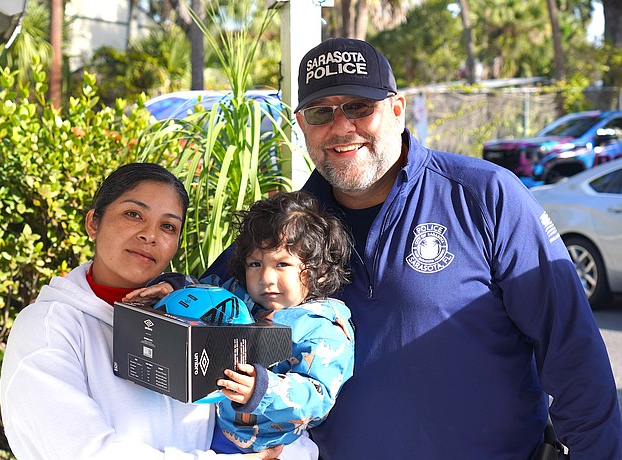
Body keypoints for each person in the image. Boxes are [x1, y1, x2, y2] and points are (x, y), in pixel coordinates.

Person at [204, 38, 622, 458]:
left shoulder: (486, 196)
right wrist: (168, 287)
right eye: (321, 112)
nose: (341, 126)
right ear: (302, 125)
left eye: (358, 107)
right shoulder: (284, 229)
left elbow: (573, 354)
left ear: (397, 110)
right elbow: (203, 303)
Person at [0, 163, 282, 459]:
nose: (150, 235)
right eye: (133, 214)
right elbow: (86, 452)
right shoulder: (46, 328)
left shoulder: (202, 319)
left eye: (168, 226)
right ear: (93, 223)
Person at [128, 191, 355, 460]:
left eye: (282, 264)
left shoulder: (322, 331)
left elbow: (318, 397)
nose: (266, 278)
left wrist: (262, 388)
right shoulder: (238, 296)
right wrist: (173, 289)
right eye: (255, 264)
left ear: (320, 271)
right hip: (210, 430)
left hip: (276, 447)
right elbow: (204, 292)